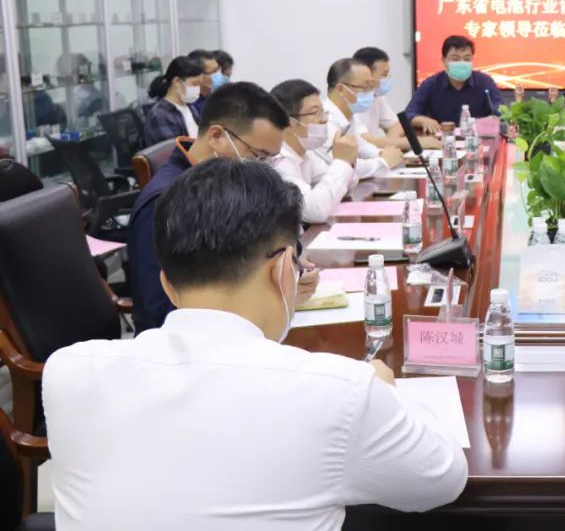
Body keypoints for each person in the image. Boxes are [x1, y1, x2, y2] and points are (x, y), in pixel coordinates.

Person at [44, 159, 468, 530]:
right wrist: (387, 390)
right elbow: (442, 479)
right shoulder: (341, 390)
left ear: (167, 284)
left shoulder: (68, 371)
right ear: (282, 268)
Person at [128, 82, 294, 334]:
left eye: (272, 159)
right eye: (258, 155)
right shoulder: (163, 202)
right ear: (216, 136)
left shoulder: (232, 186)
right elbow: (159, 312)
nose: (265, 167)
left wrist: (292, 269)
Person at [271, 80, 400, 224]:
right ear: (290, 123)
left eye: (323, 112)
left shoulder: (306, 155)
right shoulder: (278, 162)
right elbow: (315, 211)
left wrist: (348, 162)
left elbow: (349, 183)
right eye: (315, 112)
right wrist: (342, 162)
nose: (324, 120)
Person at [405, 35, 503, 135]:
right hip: (442, 140)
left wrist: (490, 120)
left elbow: (501, 111)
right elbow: (409, 114)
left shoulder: (485, 82)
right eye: (455, 59)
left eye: (467, 59)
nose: (462, 63)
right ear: (444, 61)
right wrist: (422, 120)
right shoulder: (431, 84)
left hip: (477, 139)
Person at [351, 46, 413, 150]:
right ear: (366, 74)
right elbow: (367, 140)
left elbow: (397, 125)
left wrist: (389, 141)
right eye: (384, 75)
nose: (387, 79)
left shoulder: (376, 97)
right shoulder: (353, 102)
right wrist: (421, 143)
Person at [143, 56, 205, 145]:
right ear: (177, 82)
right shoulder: (160, 115)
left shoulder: (189, 107)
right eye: (194, 84)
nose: (197, 89)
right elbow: (175, 151)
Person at [187, 49, 221, 115]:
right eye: (214, 71)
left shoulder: (215, 97)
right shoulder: (191, 104)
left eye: (218, 69)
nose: (219, 74)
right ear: (197, 75)